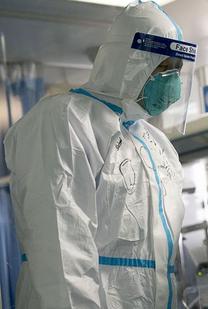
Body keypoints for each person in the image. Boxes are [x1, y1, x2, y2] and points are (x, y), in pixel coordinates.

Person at [4, 1, 197, 308]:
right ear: (130, 61)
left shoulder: (156, 144)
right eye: (163, 67)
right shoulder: (64, 120)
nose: (172, 79)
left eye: (177, 69)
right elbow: (61, 253)